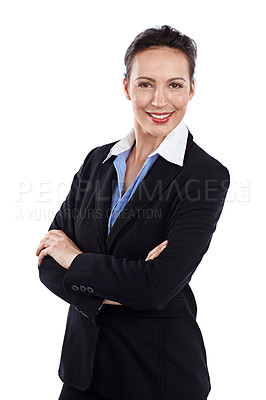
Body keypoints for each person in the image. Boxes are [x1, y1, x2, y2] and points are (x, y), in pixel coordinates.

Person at [36, 25, 230, 400]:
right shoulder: (97, 161)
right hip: (81, 373)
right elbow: (47, 262)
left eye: (174, 85)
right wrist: (131, 282)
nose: (160, 100)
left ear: (192, 89)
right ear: (126, 87)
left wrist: (75, 259)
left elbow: (157, 287)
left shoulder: (205, 175)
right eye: (145, 84)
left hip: (156, 376)